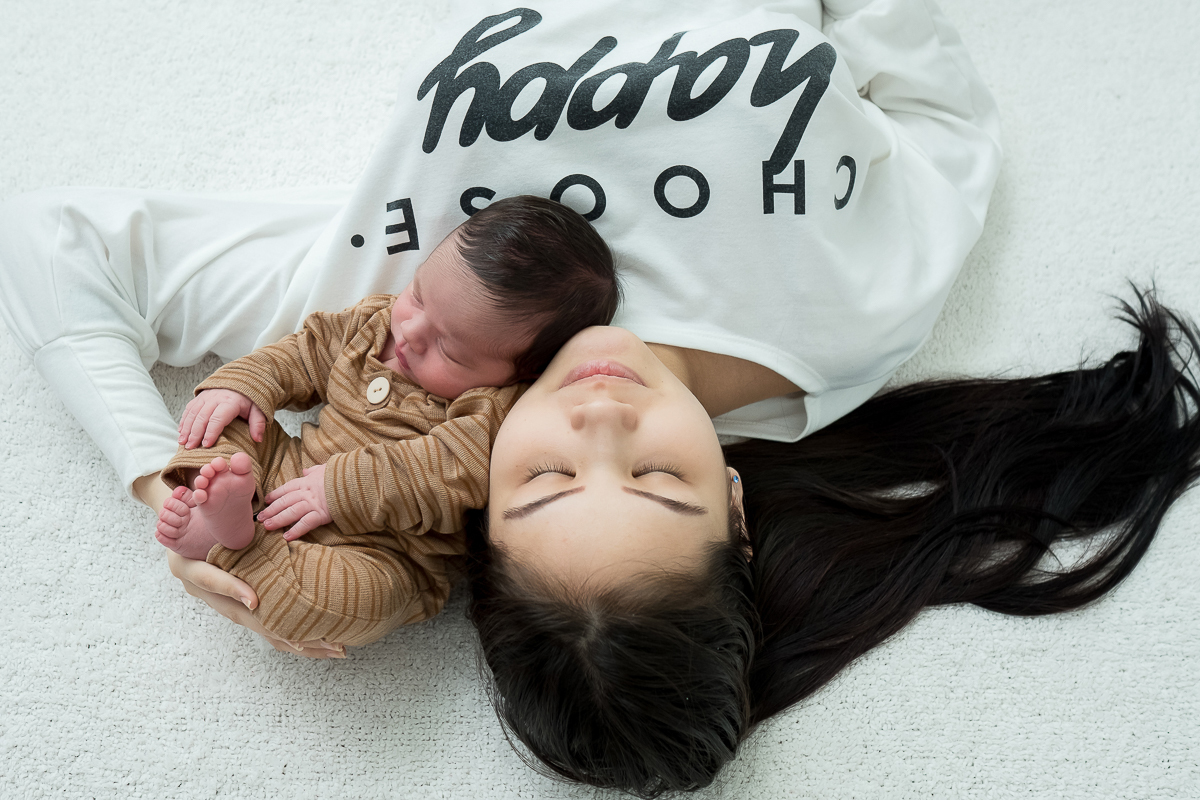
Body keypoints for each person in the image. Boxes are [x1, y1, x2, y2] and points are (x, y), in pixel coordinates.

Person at [464, 290, 1200, 795]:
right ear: (734, 503)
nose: (600, 419)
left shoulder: (406, 326)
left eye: (547, 475)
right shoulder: (853, 314)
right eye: (656, 475)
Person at [151, 195, 618, 647]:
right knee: (223, 421)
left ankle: (240, 543)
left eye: (449, 348)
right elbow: (305, 350)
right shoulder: (375, 323)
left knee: (354, 604)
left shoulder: (497, 409)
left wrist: (343, 488)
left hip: (380, 552)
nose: (410, 334)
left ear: (523, 370)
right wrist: (247, 383)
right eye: (417, 295)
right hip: (279, 475)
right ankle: (224, 506)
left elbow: (454, 470)